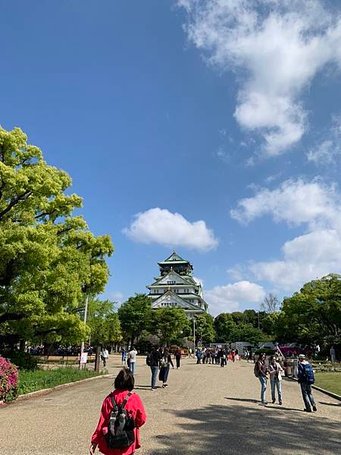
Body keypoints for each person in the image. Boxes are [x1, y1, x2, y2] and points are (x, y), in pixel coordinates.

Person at [89, 368, 147, 454]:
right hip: (127, 442)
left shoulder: (109, 399)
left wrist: (95, 440)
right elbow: (142, 419)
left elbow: (102, 422)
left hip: (111, 442)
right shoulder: (134, 398)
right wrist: (133, 424)